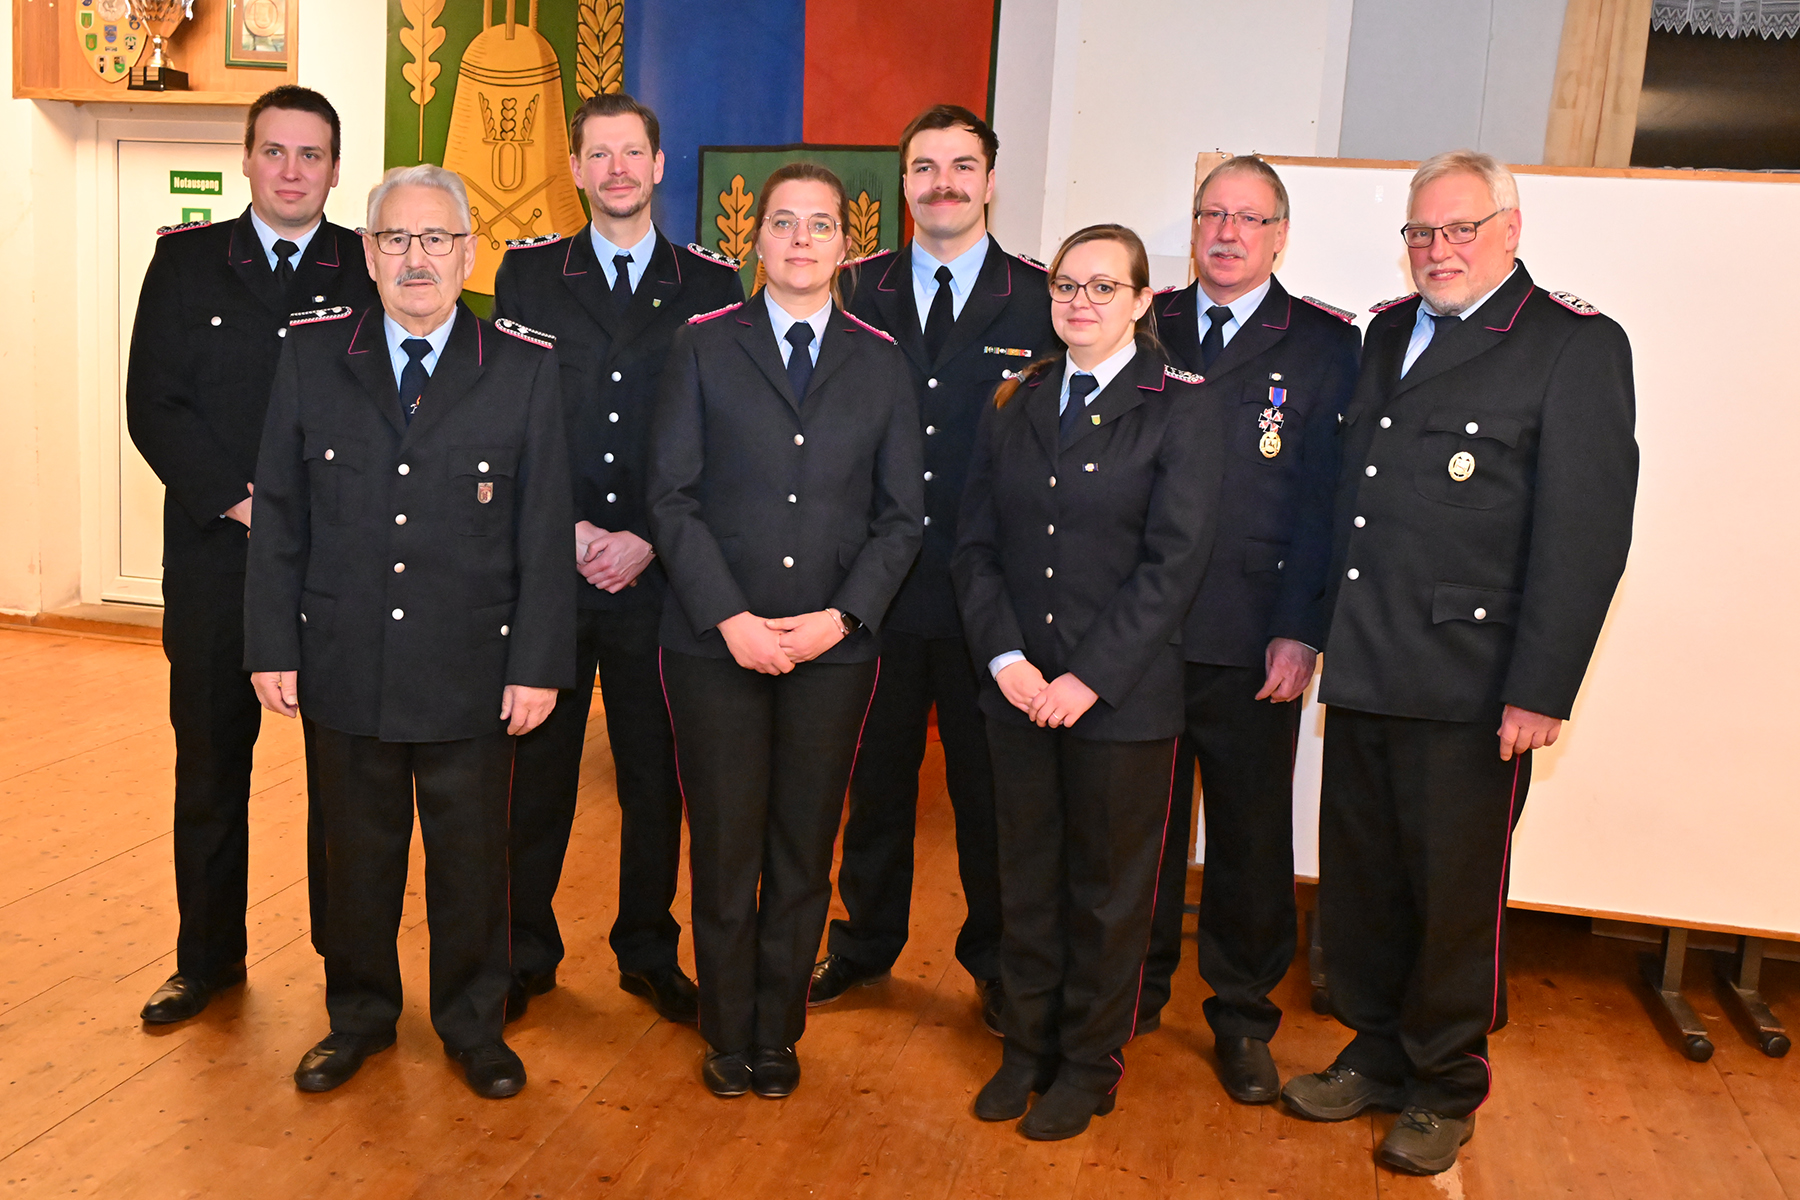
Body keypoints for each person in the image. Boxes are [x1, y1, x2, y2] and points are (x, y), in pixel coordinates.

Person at [1282, 150, 1637, 1175]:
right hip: (1369, 661)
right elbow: (1351, 501)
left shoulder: (1573, 345)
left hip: (1473, 682)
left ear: (1510, 230)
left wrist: (1540, 687)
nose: (1438, 250)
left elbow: (1585, 535)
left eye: (1460, 229)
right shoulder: (1389, 332)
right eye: (1421, 232)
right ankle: (1376, 1051)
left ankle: (1445, 1084)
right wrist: (1315, 628)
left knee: (1452, 898)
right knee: (1365, 881)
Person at [243, 164, 575, 1100]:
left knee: (472, 863)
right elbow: (281, 514)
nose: (416, 258)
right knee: (354, 858)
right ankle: (357, 1018)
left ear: (469, 253)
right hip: (345, 660)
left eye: (436, 239)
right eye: (396, 239)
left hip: (473, 669)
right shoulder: (313, 356)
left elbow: (543, 531)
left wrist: (537, 665)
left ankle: (474, 1026)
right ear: (368, 253)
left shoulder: (522, 367)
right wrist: (272, 644)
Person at [648, 162, 923, 1101]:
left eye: (820, 225)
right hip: (714, 644)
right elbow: (670, 497)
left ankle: (779, 1030)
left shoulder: (881, 360)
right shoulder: (701, 346)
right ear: (754, 239)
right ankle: (728, 1030)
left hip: (832, 651)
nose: (801, 240)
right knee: (725, 847)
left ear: (847, 244)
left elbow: (902, 518)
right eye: (783, 223)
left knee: (805, 848)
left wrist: (838, 620)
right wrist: (731, 617)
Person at [953, 224, 1225, 1140]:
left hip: (1121, 703)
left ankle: (1087, 1063)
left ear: (1143, 301)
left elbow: (1173, 565)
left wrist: (1088, 679)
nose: (1080, 301)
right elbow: (976, 546)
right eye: (1067, 284)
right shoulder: (1016, 397)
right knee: (1025, 884)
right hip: (1018, 692)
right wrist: (1007, 660)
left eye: (1104, 287)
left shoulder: (1181, 407)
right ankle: (1026, 1048)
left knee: (1107, 897)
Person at [126, 85, 375, 1025]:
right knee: (209, 769)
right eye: (275, 151)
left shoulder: (368, 269)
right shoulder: (186, 263)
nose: (291, 171)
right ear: (246, 159)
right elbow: (154, 403)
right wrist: (242, 503)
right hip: (216, 567)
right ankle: (206, 961)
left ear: (335, 170)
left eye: (311, 155)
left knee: (343, 785)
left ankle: (349, 977)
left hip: (337, 573)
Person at [493, 92, 743, 1026]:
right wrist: (562, 529)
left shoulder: (710, 284)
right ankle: (522, 951)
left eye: (632, 152)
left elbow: (722, 434)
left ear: (659, 164)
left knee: (654, 778)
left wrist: (647, 535)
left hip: (657, 574)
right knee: (537, 777)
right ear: (575, 169)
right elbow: (505, 418)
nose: (617, 170)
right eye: (598, 155)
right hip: (550, 570)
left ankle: (647, 949)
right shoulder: (527, 276)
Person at [812, 104, 1057, 1032]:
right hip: (872, 590)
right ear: (903, 182)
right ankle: (864, 940)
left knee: (990, 793)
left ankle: (996, 959)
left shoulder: (1039, 297)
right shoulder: (851, 287)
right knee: (872, 781)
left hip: (987, 593)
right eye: (924, 167)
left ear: (991, 181)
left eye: (961, 166)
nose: (942, 183)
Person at [1136, 157, 1361, 1101]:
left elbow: (1328, 502)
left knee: (1250, 837)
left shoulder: (1325, 344)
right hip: (1143, 633)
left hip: (1253, 633)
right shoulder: (1143, 321)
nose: (1227, 233)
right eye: (1212, 215)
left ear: (1280, 235)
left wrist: (1301, 629)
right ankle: (1131, 993)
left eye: (1249, 218)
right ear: (1193, 227)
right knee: (1136, 830)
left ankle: (1241, 1014)